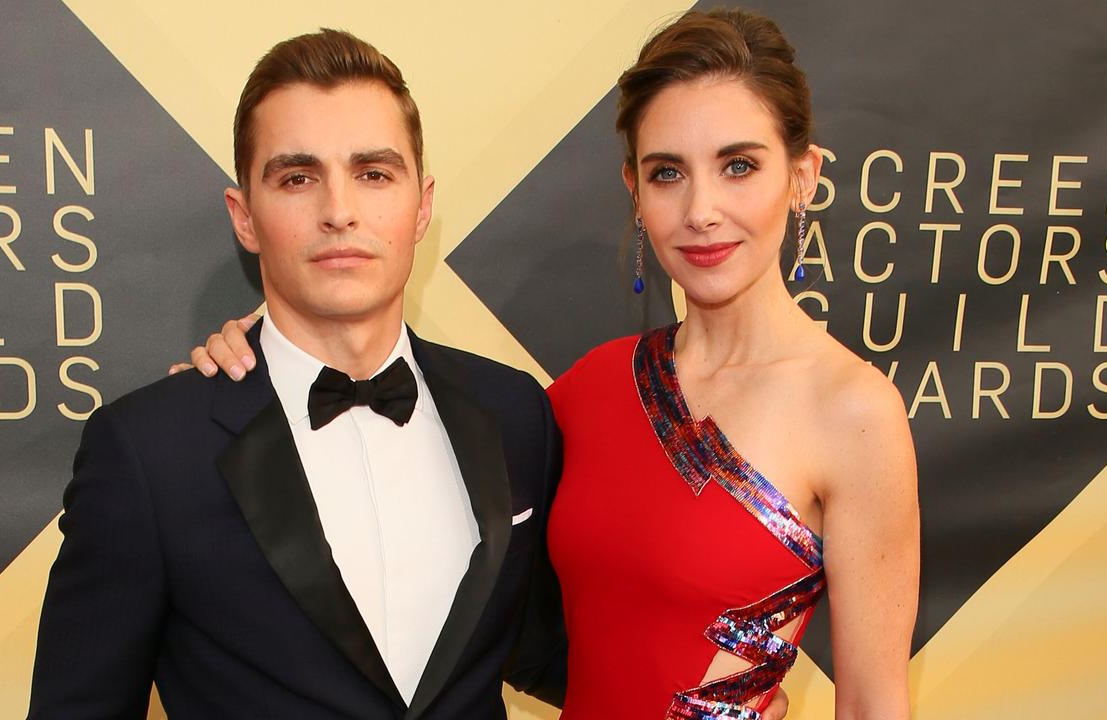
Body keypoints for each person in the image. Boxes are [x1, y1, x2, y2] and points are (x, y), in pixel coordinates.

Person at [188, 8, 917, 720]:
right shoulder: (583, 392)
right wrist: (261, 356)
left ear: (803, 175)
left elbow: (873, 704)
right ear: (635, 190)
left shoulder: (853, 413)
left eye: (738, 166)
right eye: (668, 173)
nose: (702, 209)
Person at [28, 29, 569, 719]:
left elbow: (550, 651)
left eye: (374, 173)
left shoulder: (515, 411)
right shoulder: (148, 452)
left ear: (422, 204)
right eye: (297, 177)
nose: (339, 211)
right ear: (244, 216)